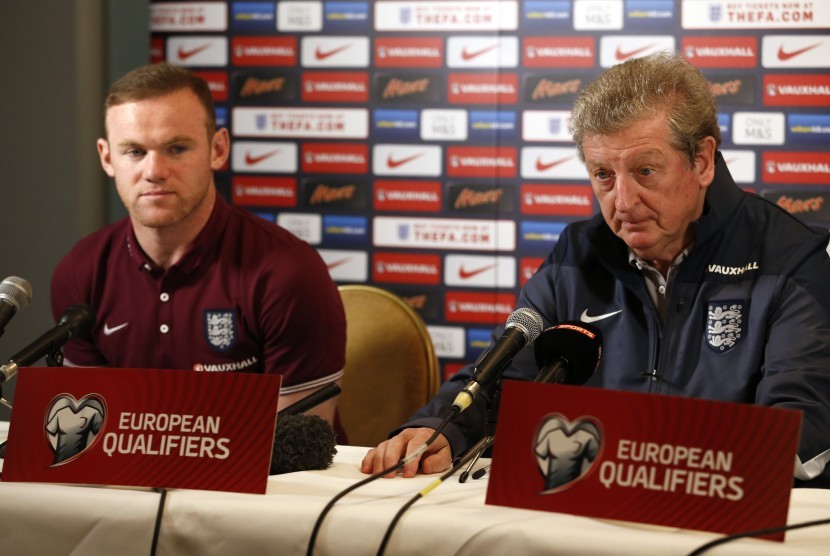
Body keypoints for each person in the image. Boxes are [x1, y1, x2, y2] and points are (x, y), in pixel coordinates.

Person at [362, 51, 830, 487]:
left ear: (702, 161)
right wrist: (440, 427)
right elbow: (504, 376)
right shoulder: (578, 252)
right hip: (587, 517)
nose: (622, 203)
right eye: (603, 175)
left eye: (646, 171)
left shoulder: (789, 258)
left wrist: (659, 466)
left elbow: (801, 430)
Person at [51, 62, 346, 424]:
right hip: (129, 479)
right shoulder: (81, 271)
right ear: (107, 157)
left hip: (267, 479)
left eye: (176, 148)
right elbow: (86, 432)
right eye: (134, 152)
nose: (154, 171)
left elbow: (300, 446)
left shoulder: (288, 274)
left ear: (217, 149)